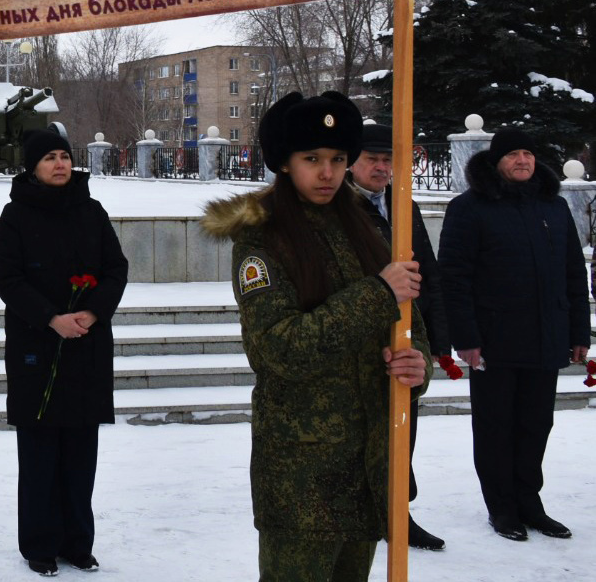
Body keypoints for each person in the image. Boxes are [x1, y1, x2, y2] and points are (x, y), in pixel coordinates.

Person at [201, 91, 428, 582]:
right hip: (303, 477)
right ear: (285, 164)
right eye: (312, 160)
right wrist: (375, 294)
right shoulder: (262, 240)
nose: (328, 173)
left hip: (367, 467)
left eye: (338, 159)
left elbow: (407, 319)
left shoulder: (366, 229)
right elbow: (277, 348)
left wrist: (416, 363)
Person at [438, 128, 591, 541]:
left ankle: (530, 502)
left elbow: (574, 273)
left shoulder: (554, 207)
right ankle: (502, 508)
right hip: (494, 340)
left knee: (535, 425)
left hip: (547, 337)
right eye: (512, 154)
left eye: (528, 152)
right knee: (495, 427)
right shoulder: (470, 208)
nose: (522, 160)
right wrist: (465, 338)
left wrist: (579, 331)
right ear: (496, 161)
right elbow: (454, 278)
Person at [0, 128, 129, 577]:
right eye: (49, 157)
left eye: (64, 156)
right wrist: (52, 318)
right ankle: (39, 544)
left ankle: (77, 542)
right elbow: (9, 280)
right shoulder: (15, 216)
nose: (60, 164)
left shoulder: (91, 211)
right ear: (33, 167)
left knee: (79, 451)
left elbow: (115, 268)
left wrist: (92, 312)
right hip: (37, 347)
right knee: (39, 451)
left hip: (86, 346)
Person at [348, 122, 450, 551]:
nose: (381, 167)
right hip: (363, 336)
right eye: (372, 159)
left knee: (402, 431)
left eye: (388, 160)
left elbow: (426, 266)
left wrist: (438, 337)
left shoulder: (400, 203)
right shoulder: (340, 208)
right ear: (352, 162)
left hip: (407, 335)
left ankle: (397, 513)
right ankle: (367, 515)